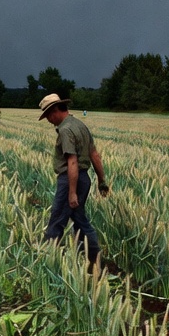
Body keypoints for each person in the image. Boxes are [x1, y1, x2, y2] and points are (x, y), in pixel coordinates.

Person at [38, 93, 108, 267]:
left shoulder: (65, 130)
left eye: (47, 115)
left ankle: (46, 260)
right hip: (84, 179)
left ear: (55, 110)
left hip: (71, 180)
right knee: (79, 220)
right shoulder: (80, 125)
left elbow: (72, 161)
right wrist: (101, 180)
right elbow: (94, 155)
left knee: (57, 219)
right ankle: (94, 259)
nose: (48, 119)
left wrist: (71, 192)